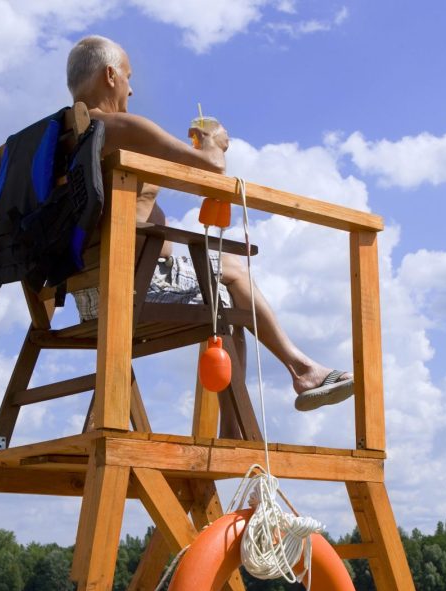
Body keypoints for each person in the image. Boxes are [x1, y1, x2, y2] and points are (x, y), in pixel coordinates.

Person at [66, 35, 353, 429]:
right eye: (129, 77)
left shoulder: (57, 143)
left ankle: (264, 402)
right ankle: (299, 372)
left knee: (219, 287)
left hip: (83, 295)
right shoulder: (120, 127)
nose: (131, 89)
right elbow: (212, 169)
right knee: (232, 273)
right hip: (127, 290)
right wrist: (214, 142)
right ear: (110, 75)